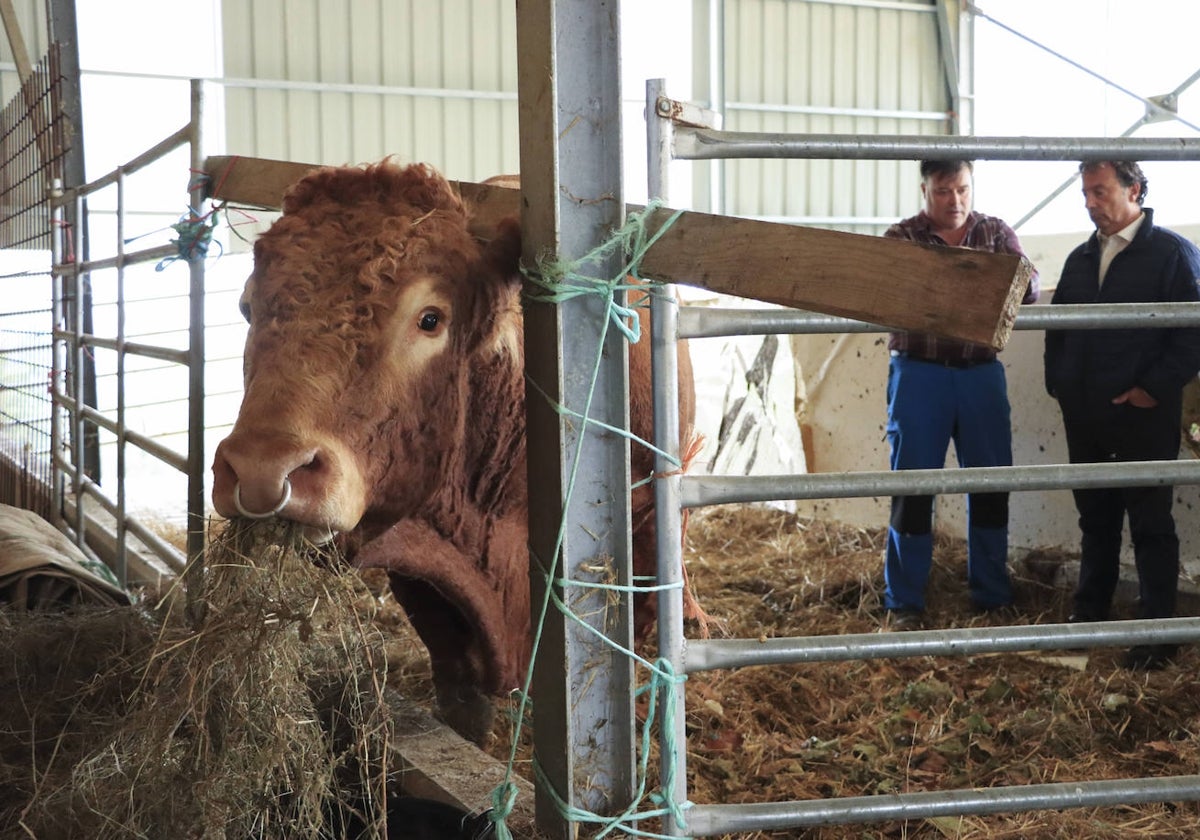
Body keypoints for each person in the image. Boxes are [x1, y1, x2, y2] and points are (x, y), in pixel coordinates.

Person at [1044, 160, 1200, 670]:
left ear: (1134, 189)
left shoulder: (1172, 254)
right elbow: (1058, 327)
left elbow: (1193, 331)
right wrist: (1061, 385)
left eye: (1101, 192)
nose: (1090, 203)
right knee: (1096, 517)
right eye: (1085, 193)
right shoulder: (1080, 257)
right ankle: (1089, 617)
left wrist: (1151, 390)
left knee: (1151, 520)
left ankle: (1159, 634)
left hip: (1142, 415)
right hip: (1085, 412)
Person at [882, 159, 1039, 630]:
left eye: (963, 190)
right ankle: (904, 601)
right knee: (911, 487)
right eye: (944, 192)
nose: (955, 201)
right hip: (918, 373)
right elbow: (883, 292)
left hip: (979, 371)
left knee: (990, 482)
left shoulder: (995, 233)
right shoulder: (901, 237)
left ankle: (991, 594)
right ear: (925, 190)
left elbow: (1028, 287)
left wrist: (994, 279)